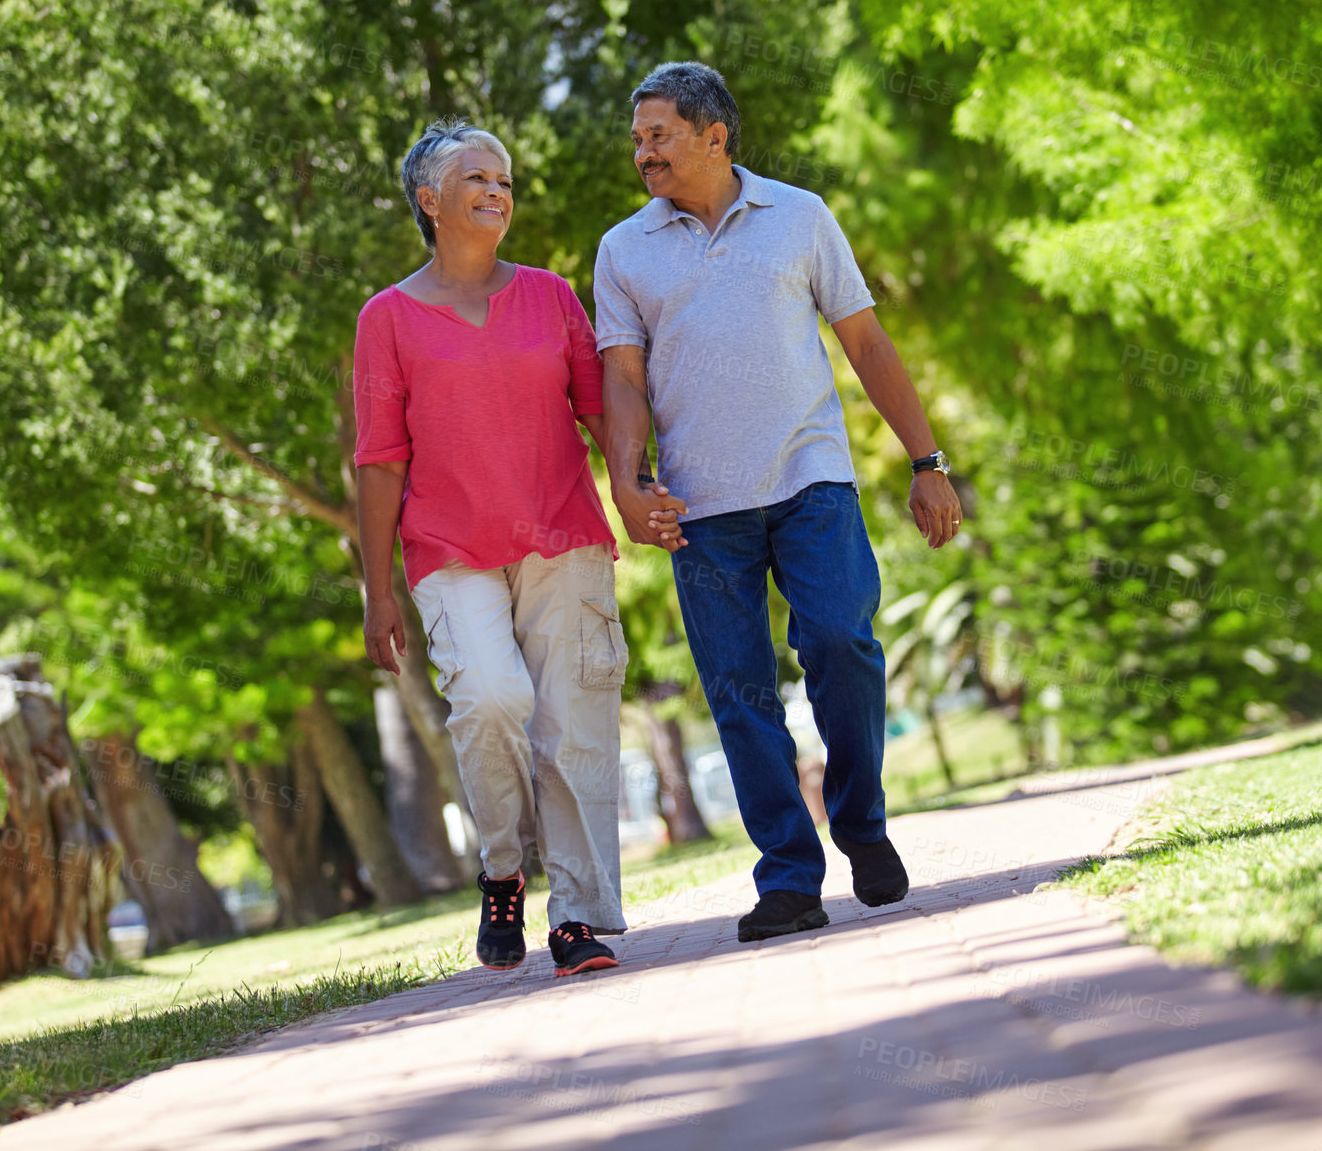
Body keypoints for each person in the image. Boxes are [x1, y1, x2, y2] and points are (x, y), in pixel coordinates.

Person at [595, 62, 966, 943]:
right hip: (700, 507)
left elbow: (867, 343)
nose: (642, 151)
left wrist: (928, 460)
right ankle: (791, 879)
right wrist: (626, 478)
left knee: (843, 640)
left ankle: (863, 826)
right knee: (739, 692)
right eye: (638, 136)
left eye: (659, 134)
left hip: (812, 482)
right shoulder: (624, 249)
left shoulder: (799, 216)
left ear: (715, 136)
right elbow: (622, 375)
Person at [354, 119, 651, 976]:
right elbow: (378, 463)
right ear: (430, 200)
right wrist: (378, 593)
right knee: (489, 700)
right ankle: (502, 868)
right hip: (449, 549)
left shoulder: (552, 296)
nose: (497, 191)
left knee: (574, 723)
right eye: (477, 179)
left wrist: (629, 489)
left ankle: (579, 917)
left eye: (506, 181)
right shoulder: (389, 318)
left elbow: (599, 409)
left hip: (561, 532)